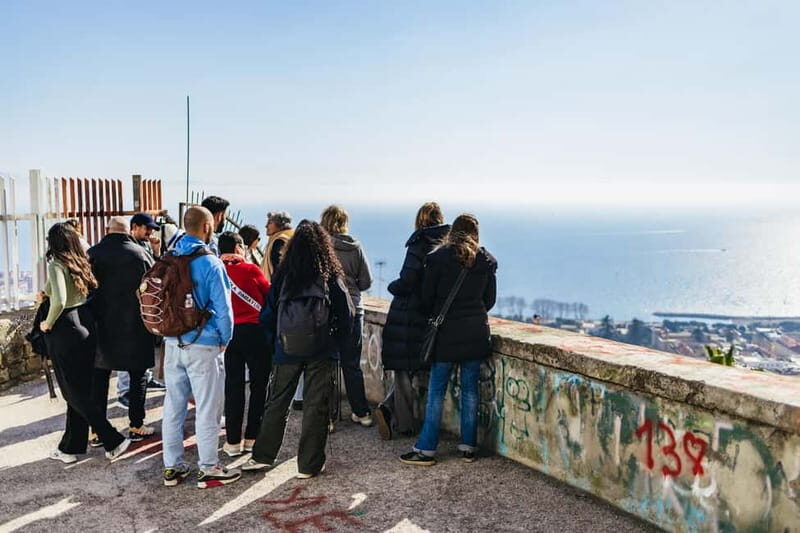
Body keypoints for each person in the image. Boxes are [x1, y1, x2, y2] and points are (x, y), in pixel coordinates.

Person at [242, 221, 353, 478]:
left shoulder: (283, 275)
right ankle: (309, 465)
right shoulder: (329, 274)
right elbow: (346, 313)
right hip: (321, 348)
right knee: (316, 406)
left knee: (277, 402)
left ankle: (263, 456)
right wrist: (335, 342)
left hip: (286, 348)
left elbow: (267, 315)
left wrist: (277, 342)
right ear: (324, 247)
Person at [400, 214, 497, 466]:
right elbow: (489, 301)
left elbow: (426, 299)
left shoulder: (437, 259)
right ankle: (468, 446)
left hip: (445, 334)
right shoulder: (486, 261)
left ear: (452, 231)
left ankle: (426, 449)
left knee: (436, 392)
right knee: (470, 391)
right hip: (476, 333)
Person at [160, 206, 239, 488]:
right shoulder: (210, 262)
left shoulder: (169, 256)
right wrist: (224, 340)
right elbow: (224, 308)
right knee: (208, 407)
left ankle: (172, 466)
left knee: (174, 405)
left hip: (172, 343)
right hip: (204, 344)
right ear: (207, 227)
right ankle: (208, 467)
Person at [40, 222, 131, 463]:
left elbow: (59, 301)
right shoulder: (79, 262)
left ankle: (113, 439)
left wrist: (47, 323)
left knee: (73, 392)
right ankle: (70, 447)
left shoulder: (56, 264)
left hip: (65, 327)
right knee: (79, 389)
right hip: (85, 323)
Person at [374, 202, 450, 440]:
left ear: (420, 220)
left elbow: (407, 279)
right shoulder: (447, 246)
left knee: (403, 370)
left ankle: (404, 425)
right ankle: (387, 408)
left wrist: (391, 287)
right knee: (418, 366)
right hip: (431, 314)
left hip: (408, 314)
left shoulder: (418, 243)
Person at [87, 216, 158, 447]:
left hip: (101, 324)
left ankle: (97, 431)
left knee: (99, 378)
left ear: (108, 230)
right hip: (135, 325)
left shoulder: (93, 254)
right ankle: (136, 425)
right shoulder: (140, 254)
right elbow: (153, 289)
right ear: (129, 231)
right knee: (138, 377)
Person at [218, 231, 272, 457]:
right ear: (239, 248)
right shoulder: (251, 270)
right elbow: (269, 295)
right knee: (259, 385)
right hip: (255, 333)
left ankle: (232, 441)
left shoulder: (216, 271)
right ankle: (252, 437)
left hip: (229, 334)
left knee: (233, 387)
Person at [320, 205, 373, 427]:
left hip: (329, 310)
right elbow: (366, 281)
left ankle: (330, 417)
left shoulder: (322, 247)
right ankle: (361, 412)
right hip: (354, 310)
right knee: (351, 364)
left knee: (330, 363)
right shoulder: (356, 247)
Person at [261, 211, 293, 282]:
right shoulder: (288, 238)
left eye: (270, 223)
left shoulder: (280, 241)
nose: (266, 226)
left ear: (280, 225)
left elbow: (278, 267)